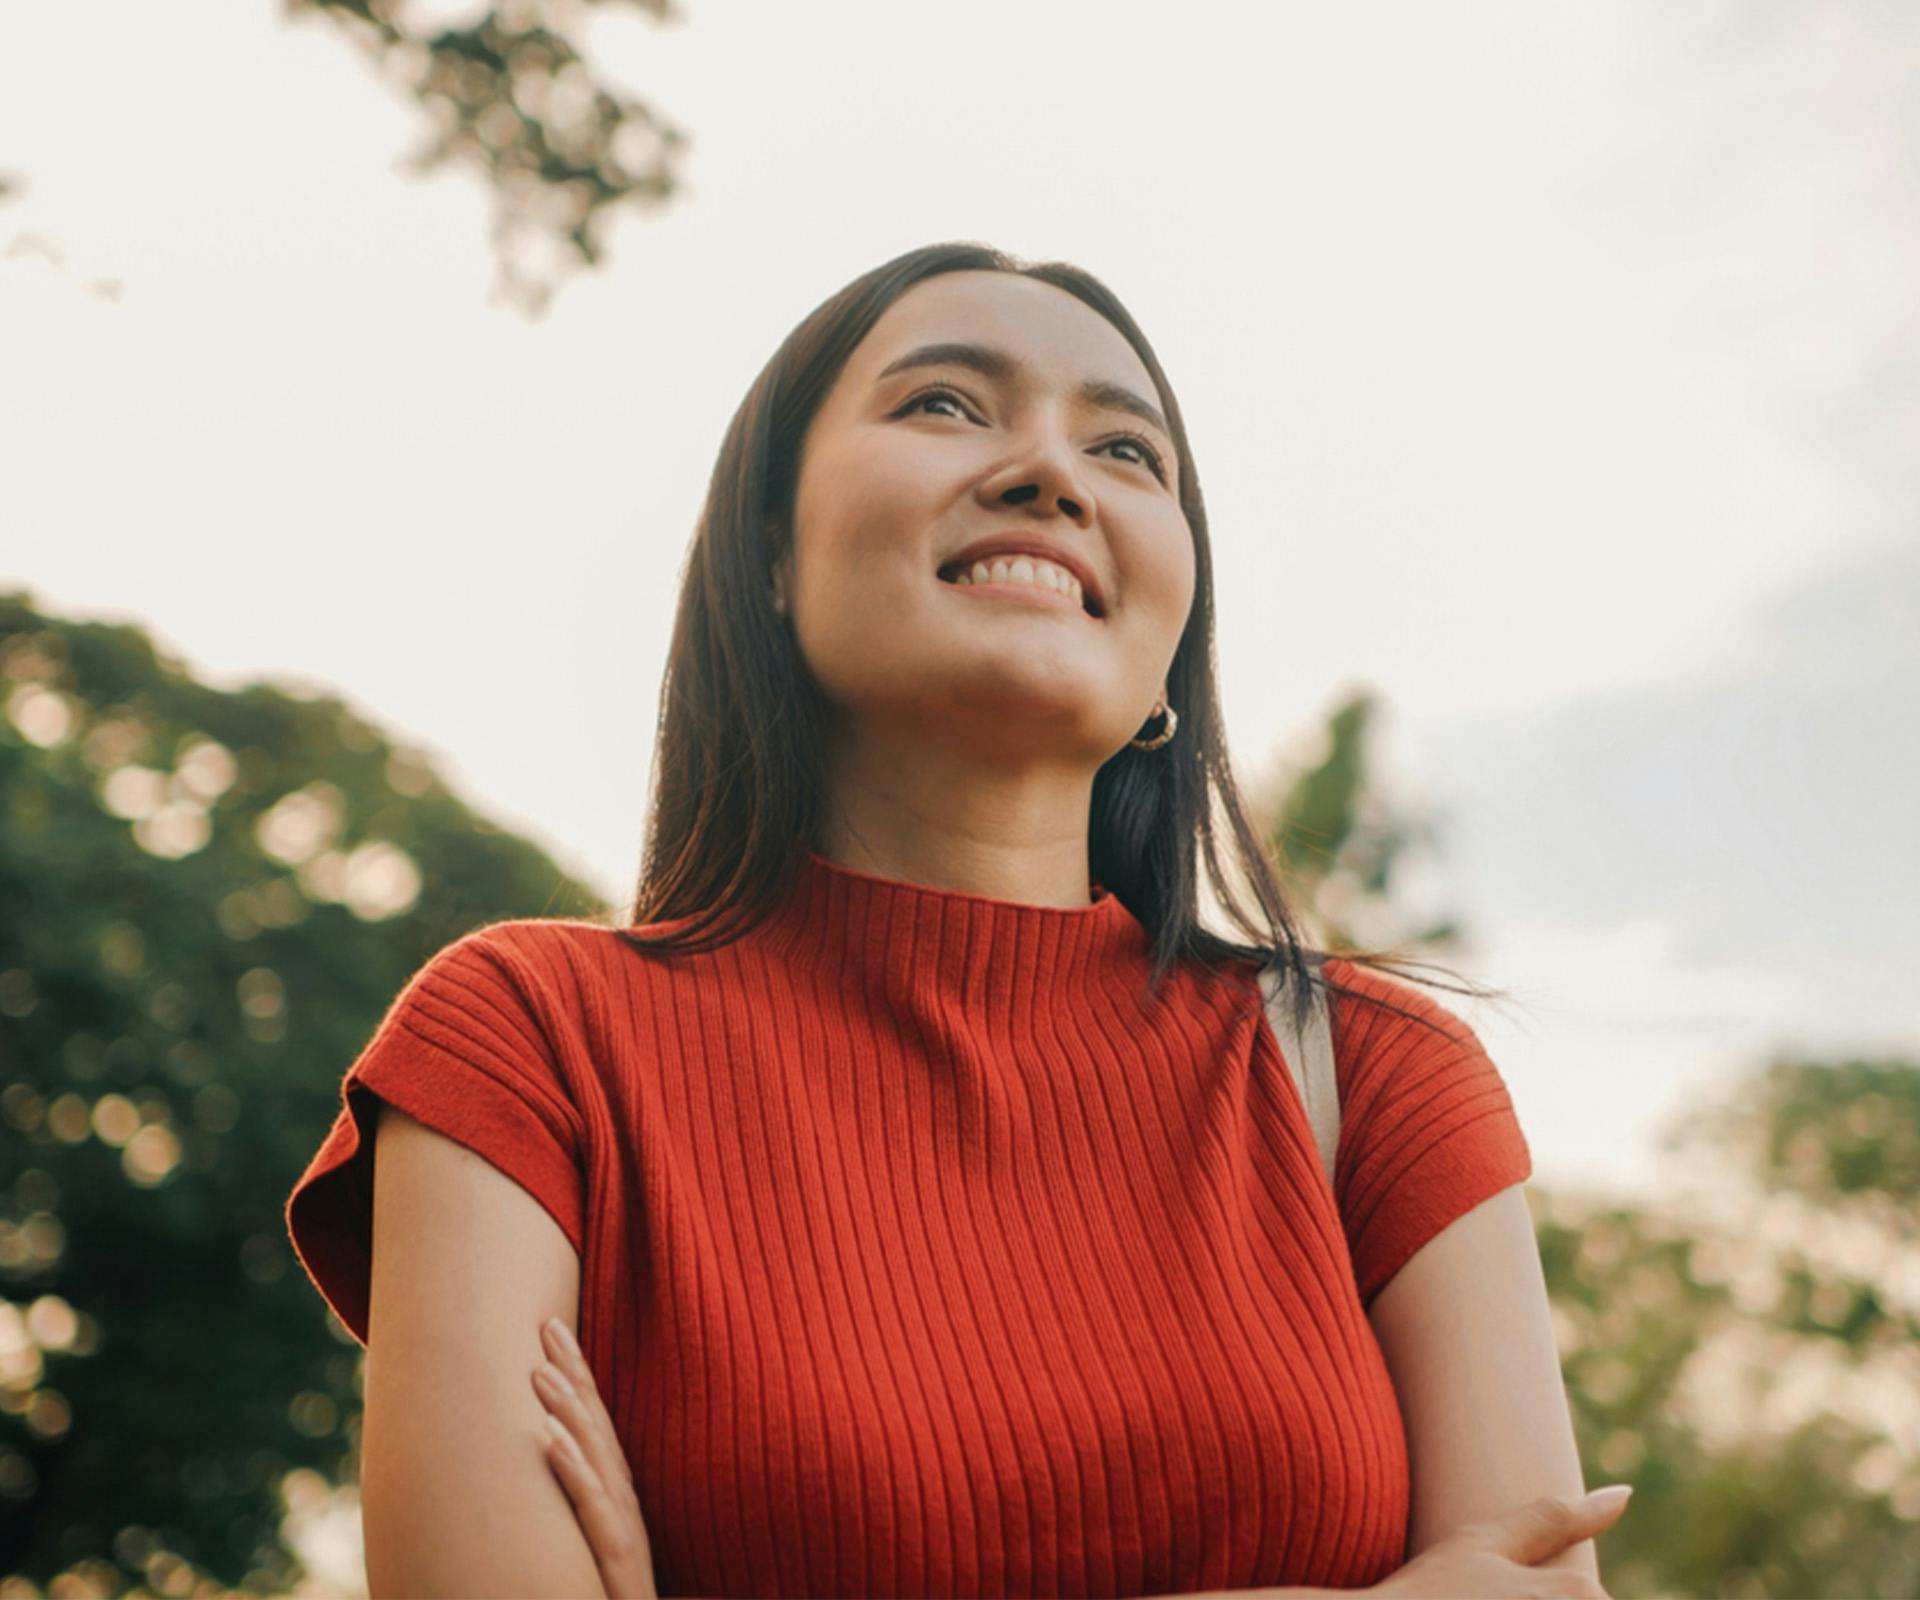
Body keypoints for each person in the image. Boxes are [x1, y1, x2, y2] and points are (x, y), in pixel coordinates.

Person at [285, 242, 1620, 1598]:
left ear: (1172, 641)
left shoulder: (1383, 1075)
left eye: (1126, 451)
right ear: (769, 559)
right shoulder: (528, 1044)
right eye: (945, 405)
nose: (1051, 473)